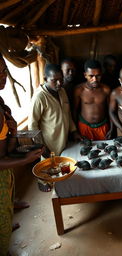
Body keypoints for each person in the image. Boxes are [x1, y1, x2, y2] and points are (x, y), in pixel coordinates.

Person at [0, 54, 43, 255]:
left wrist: (14, 132)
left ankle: (7, 226)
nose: (3, 77)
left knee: (6, 209)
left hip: (4, 173)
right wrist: (26, 159)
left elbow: (5, 147)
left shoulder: (1, 102)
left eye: (4, 71)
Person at [28, 63, 80, 191]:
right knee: (46, 167)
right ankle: (43, 182)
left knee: (61, 166)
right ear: (45, 79)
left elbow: (67, 114)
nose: (59, 83)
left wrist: (73, 131)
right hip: (49, 141)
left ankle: (61, 184)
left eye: (61, 79)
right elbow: (32, 125)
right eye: (54, 80)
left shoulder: (61, 91)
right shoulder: (40, 96)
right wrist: (41, 146)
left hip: (63, 137)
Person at [73, 59, 112, 140]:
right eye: (91, 76)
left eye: (98, 76)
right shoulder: (79, 90)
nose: (95, 79)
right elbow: (74, 111)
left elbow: (110, 111)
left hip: (103, 127)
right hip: (84, 126)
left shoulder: (106, 89)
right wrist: (75, 131)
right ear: (85, 75)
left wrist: (112, 129)